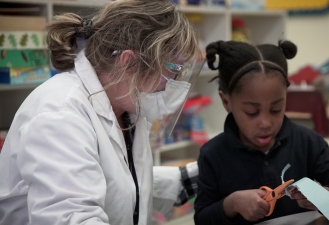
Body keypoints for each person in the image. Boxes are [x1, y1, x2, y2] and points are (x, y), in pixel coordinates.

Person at [0, 0, 201, 224]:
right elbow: (73, 218)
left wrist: (198, 176)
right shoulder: (61, 113)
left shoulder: (127, 106)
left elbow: (120, 183)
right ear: (129, 63)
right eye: (173, 71)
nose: (177, 84)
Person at [194, 40, 329, 225]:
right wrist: (231, 204)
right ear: (226, 102)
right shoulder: (213, 154)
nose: (266, 123)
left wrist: (326, 196)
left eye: (276, 109)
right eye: (252, 112)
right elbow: (202, 219)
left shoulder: (308, 143)